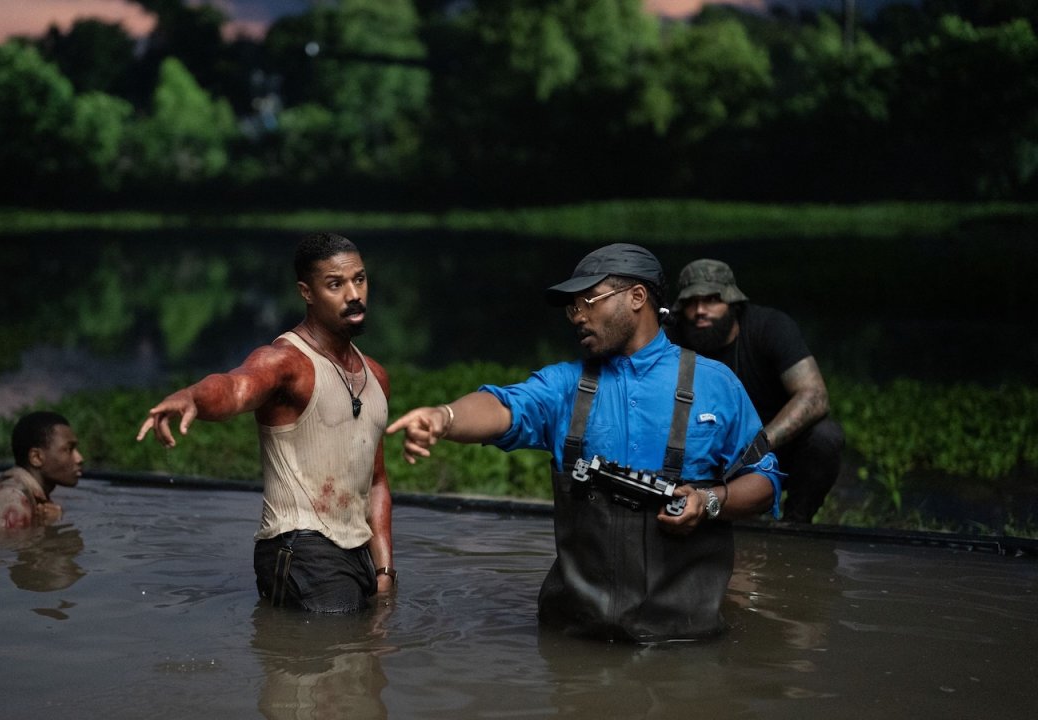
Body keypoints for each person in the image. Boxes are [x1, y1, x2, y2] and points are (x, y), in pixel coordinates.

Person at [387, 243, 782, 643]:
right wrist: (445, 417)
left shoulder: (715, 385)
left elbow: (765, 482)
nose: (577, 316)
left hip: (686, 641)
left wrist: (710, 501)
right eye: (571, 307)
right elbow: (504, 407)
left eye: (588, 301)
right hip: (573, 637)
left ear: (637, 297)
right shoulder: (565, 386)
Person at [136, 232, 395, 613]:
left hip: (359, 555)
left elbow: (376, 482)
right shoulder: (286, 361)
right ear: (307, 292)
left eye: (359, 279)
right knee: (338, 644)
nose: (353, 294)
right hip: (300, 547)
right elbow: (236, 387)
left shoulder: (376, 376)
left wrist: (384, 570)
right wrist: (193, 396)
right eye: (335, 284)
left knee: (367, 646)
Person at [670, 259, 844, 523]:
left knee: (825, 437)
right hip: (705, 451)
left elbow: (814, 395)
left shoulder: (769, 327)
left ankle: (795, 524)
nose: (700, 311)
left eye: (712, 300)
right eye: (691, 302)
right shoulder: (673, 336)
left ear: (732, 301)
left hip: (772, 445)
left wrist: (759, 445)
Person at [0, 411, 84, 531]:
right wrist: (51, 525)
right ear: (36, 457)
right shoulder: (12, 499)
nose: (79, 458)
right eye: (68, 449)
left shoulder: (27, 494)